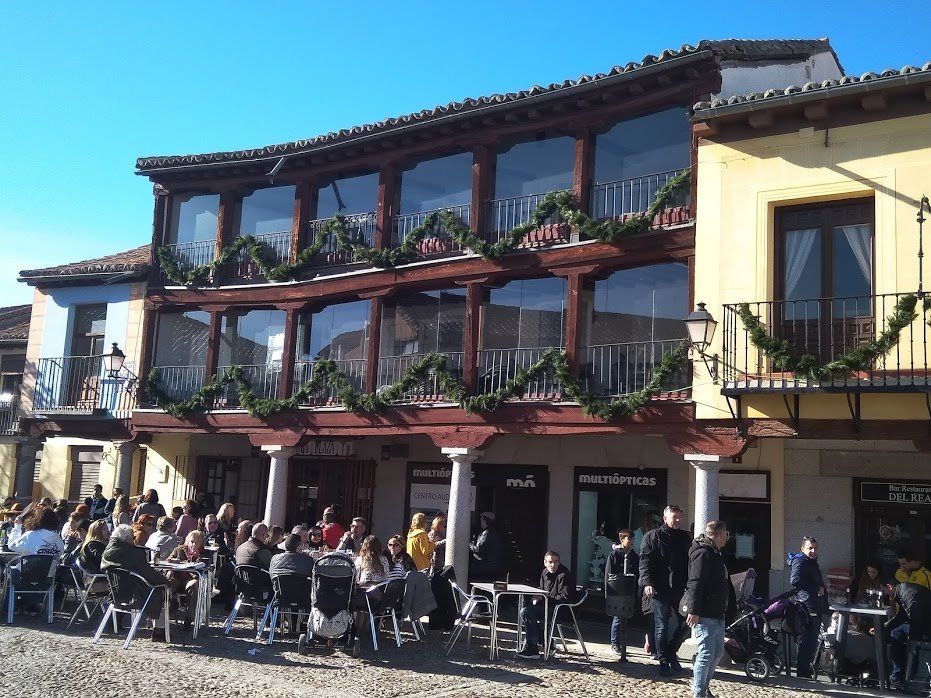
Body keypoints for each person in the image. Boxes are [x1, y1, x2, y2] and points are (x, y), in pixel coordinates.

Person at [639, 504, 691, 676]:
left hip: (680, 588)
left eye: (679, 517)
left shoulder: (685, 537)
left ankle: (670, 652)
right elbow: (645, 562)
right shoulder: (652, 537)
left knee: (688, 622)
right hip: (660, 588)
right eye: (674, 517)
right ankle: (663, 661)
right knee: (662, 626)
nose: (677, 520)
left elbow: (691, 562)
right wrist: (647, 583)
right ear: (665, 518)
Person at [683, 521, 730, 698]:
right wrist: (694, 610)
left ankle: (703, 687)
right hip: (705, 613)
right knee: (706, 653)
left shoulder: (715, 553)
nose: (727, 538)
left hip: (717, 611)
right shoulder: (703, 553)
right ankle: (699, 692)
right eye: (725, 534)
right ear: (718, 535)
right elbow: (695, 582)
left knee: (717, 653)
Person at [102, 524, 170, 641]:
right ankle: (159, 631)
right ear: (127, 539)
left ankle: (158, 628)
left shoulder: (108, 551)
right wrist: (166, 582)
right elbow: (148, 573)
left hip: (116, 593)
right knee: (163, 591)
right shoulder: (132, 553)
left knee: (158, 588)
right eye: (133, 538)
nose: (134, 540)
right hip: (134, 595)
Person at [517, 551, 575, 659]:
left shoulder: (564, 575)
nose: (553, 565)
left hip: (559, 610)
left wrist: (544, 597)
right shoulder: (544, 573)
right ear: (545, 563)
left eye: (556, 562)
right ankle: (546, 642)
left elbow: (565, 598)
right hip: (546, 607)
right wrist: (537, 595)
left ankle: (533, 649)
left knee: (526, 612)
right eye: (550, 562)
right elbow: (543, 591)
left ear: (559, 562)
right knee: (526, 607)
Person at [788, 536, 828, 679]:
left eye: (815, 548)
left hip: (814, 605)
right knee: (808, 641)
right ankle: (802, 674)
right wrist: (815, 588)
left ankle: (805, 671)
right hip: (808, 606)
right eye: (809, 548)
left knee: (811, 641)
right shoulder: (801, 560)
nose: (812, 551)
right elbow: (795, 580)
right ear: (802, 548)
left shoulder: (811, 562)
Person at [885, 580, 931, 689]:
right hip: (921, 622)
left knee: (910, 643)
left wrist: (912, 637)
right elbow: (903, 615)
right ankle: (897, 675)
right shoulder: (903, 591)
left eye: (884, 592)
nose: (884, 596)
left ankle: (909, 678)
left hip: (925, 626)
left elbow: (916, 619)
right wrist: (885, 626)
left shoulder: (906, 593)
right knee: (895, 633)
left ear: (889, 586)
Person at [605, 528, 640, 658]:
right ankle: (615, 643)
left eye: (632, 539)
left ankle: (622, 642)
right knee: (618, 617)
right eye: (629, 538)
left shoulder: (634, 556)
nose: (631, 541)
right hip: (617, 591)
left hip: (629, 591)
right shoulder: (614, 555)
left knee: (625, 617)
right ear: (622, 539)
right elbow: (609, 575)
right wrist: (608, 593)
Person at [167, 530, 205, 630]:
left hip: (191, 578)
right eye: (192, 541)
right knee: (167, 585)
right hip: (177, 577)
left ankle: (189, 617)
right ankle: (171, 607)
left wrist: (198, 557)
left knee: (193, 586)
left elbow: (206, 567)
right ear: (187, 540)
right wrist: (176, 561)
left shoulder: (204, 552)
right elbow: (169, 559)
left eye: (197, 543)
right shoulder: (180, 549)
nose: (194, 544)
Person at [470, 512, 504, 581]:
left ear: (486, 521)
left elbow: (479, 549)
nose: (481, 522)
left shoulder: (487, 533)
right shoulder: (494, 532)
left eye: (482, 520)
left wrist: (470, 545)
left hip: (485, 568)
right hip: (492, 567)